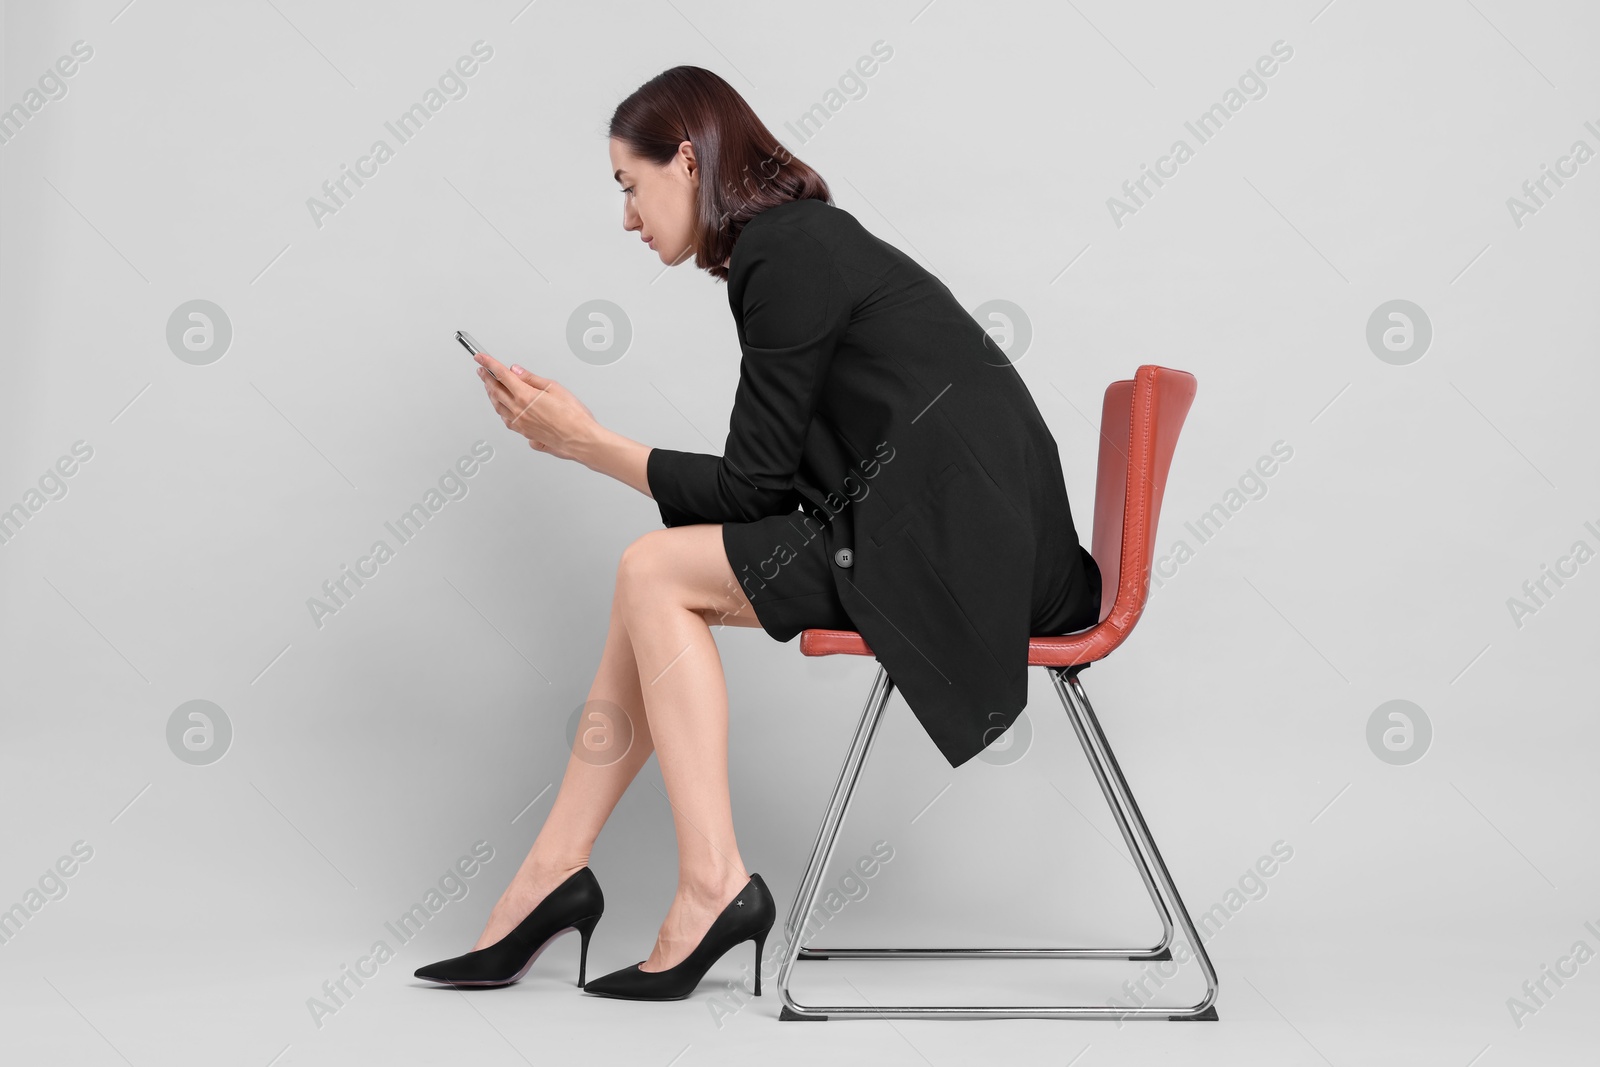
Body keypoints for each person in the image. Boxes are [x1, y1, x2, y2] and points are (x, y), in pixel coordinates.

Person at [414, 64, 1101, 1002]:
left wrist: (587, 444)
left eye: (628, 185)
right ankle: (554, 875)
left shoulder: (787, 252)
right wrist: (590, 443)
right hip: (948, 536)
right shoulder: (796, 247)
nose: (626, 217)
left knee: (654, 571)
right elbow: (775, 481)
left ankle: (705, 884)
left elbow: (750, 487)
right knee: (646, 576)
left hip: (960, 558)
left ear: (686, 158)